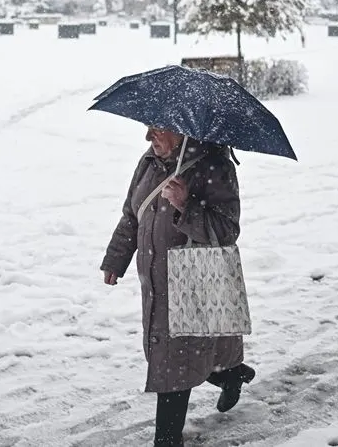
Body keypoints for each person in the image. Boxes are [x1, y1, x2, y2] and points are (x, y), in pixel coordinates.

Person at [101, 127, 255, 447]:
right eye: (148, 128)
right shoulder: (148, 163)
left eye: (157, 130)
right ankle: (231, 375)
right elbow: (132, 215)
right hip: (155, 281)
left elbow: (227, 231)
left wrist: (187, 204)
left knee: (174, 362)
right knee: (187, 356)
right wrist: (116, 259)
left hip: (193, 281)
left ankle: (167, 440)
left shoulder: (215, 166)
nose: (148, 137)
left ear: (183, 132)